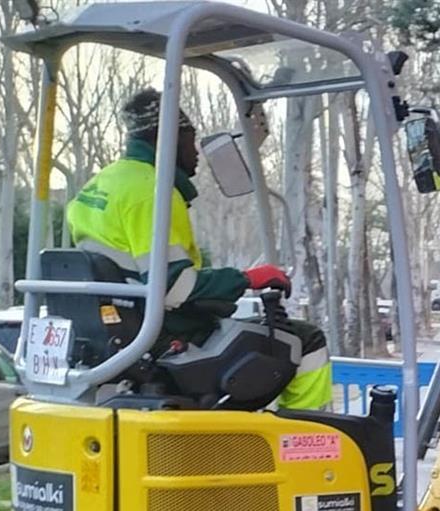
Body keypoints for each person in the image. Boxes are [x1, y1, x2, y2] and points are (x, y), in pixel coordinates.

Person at [65, 87, 332, 410]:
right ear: (167, 137)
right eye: (190, 139)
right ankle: (307, 443)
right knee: (305, 340)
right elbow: (175, 288)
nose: (196, 153)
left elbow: (140, 275)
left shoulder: (98, 185)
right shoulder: (155, 191)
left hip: (117, 334)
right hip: (166, 339)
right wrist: (246, 279)